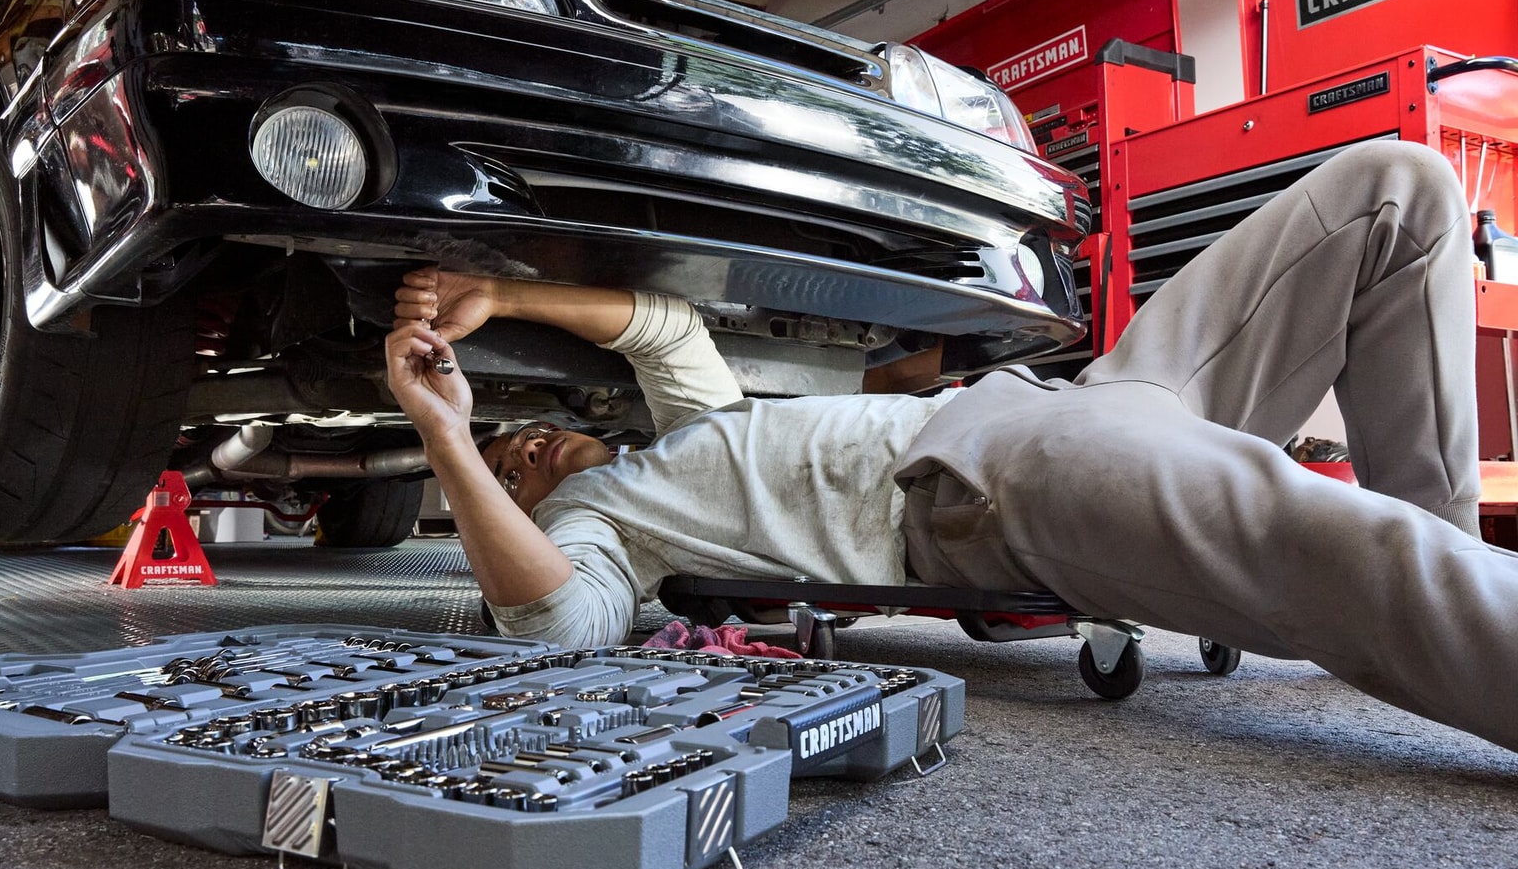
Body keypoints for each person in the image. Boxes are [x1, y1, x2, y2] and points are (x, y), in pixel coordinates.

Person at [386, 140, 1518, 752]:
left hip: (1081, 397)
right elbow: (552, 623)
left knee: (1396, 190)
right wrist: (450, 436)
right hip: (1004, 486)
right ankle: (1455, 613)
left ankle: (1447, 578)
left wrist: (501, 290)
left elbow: (661, 326)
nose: (525, 442)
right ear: (524, 494)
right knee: (1351, 553)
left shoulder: (688, 435)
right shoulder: (609, 527)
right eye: (514, 455)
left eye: (522, 434)